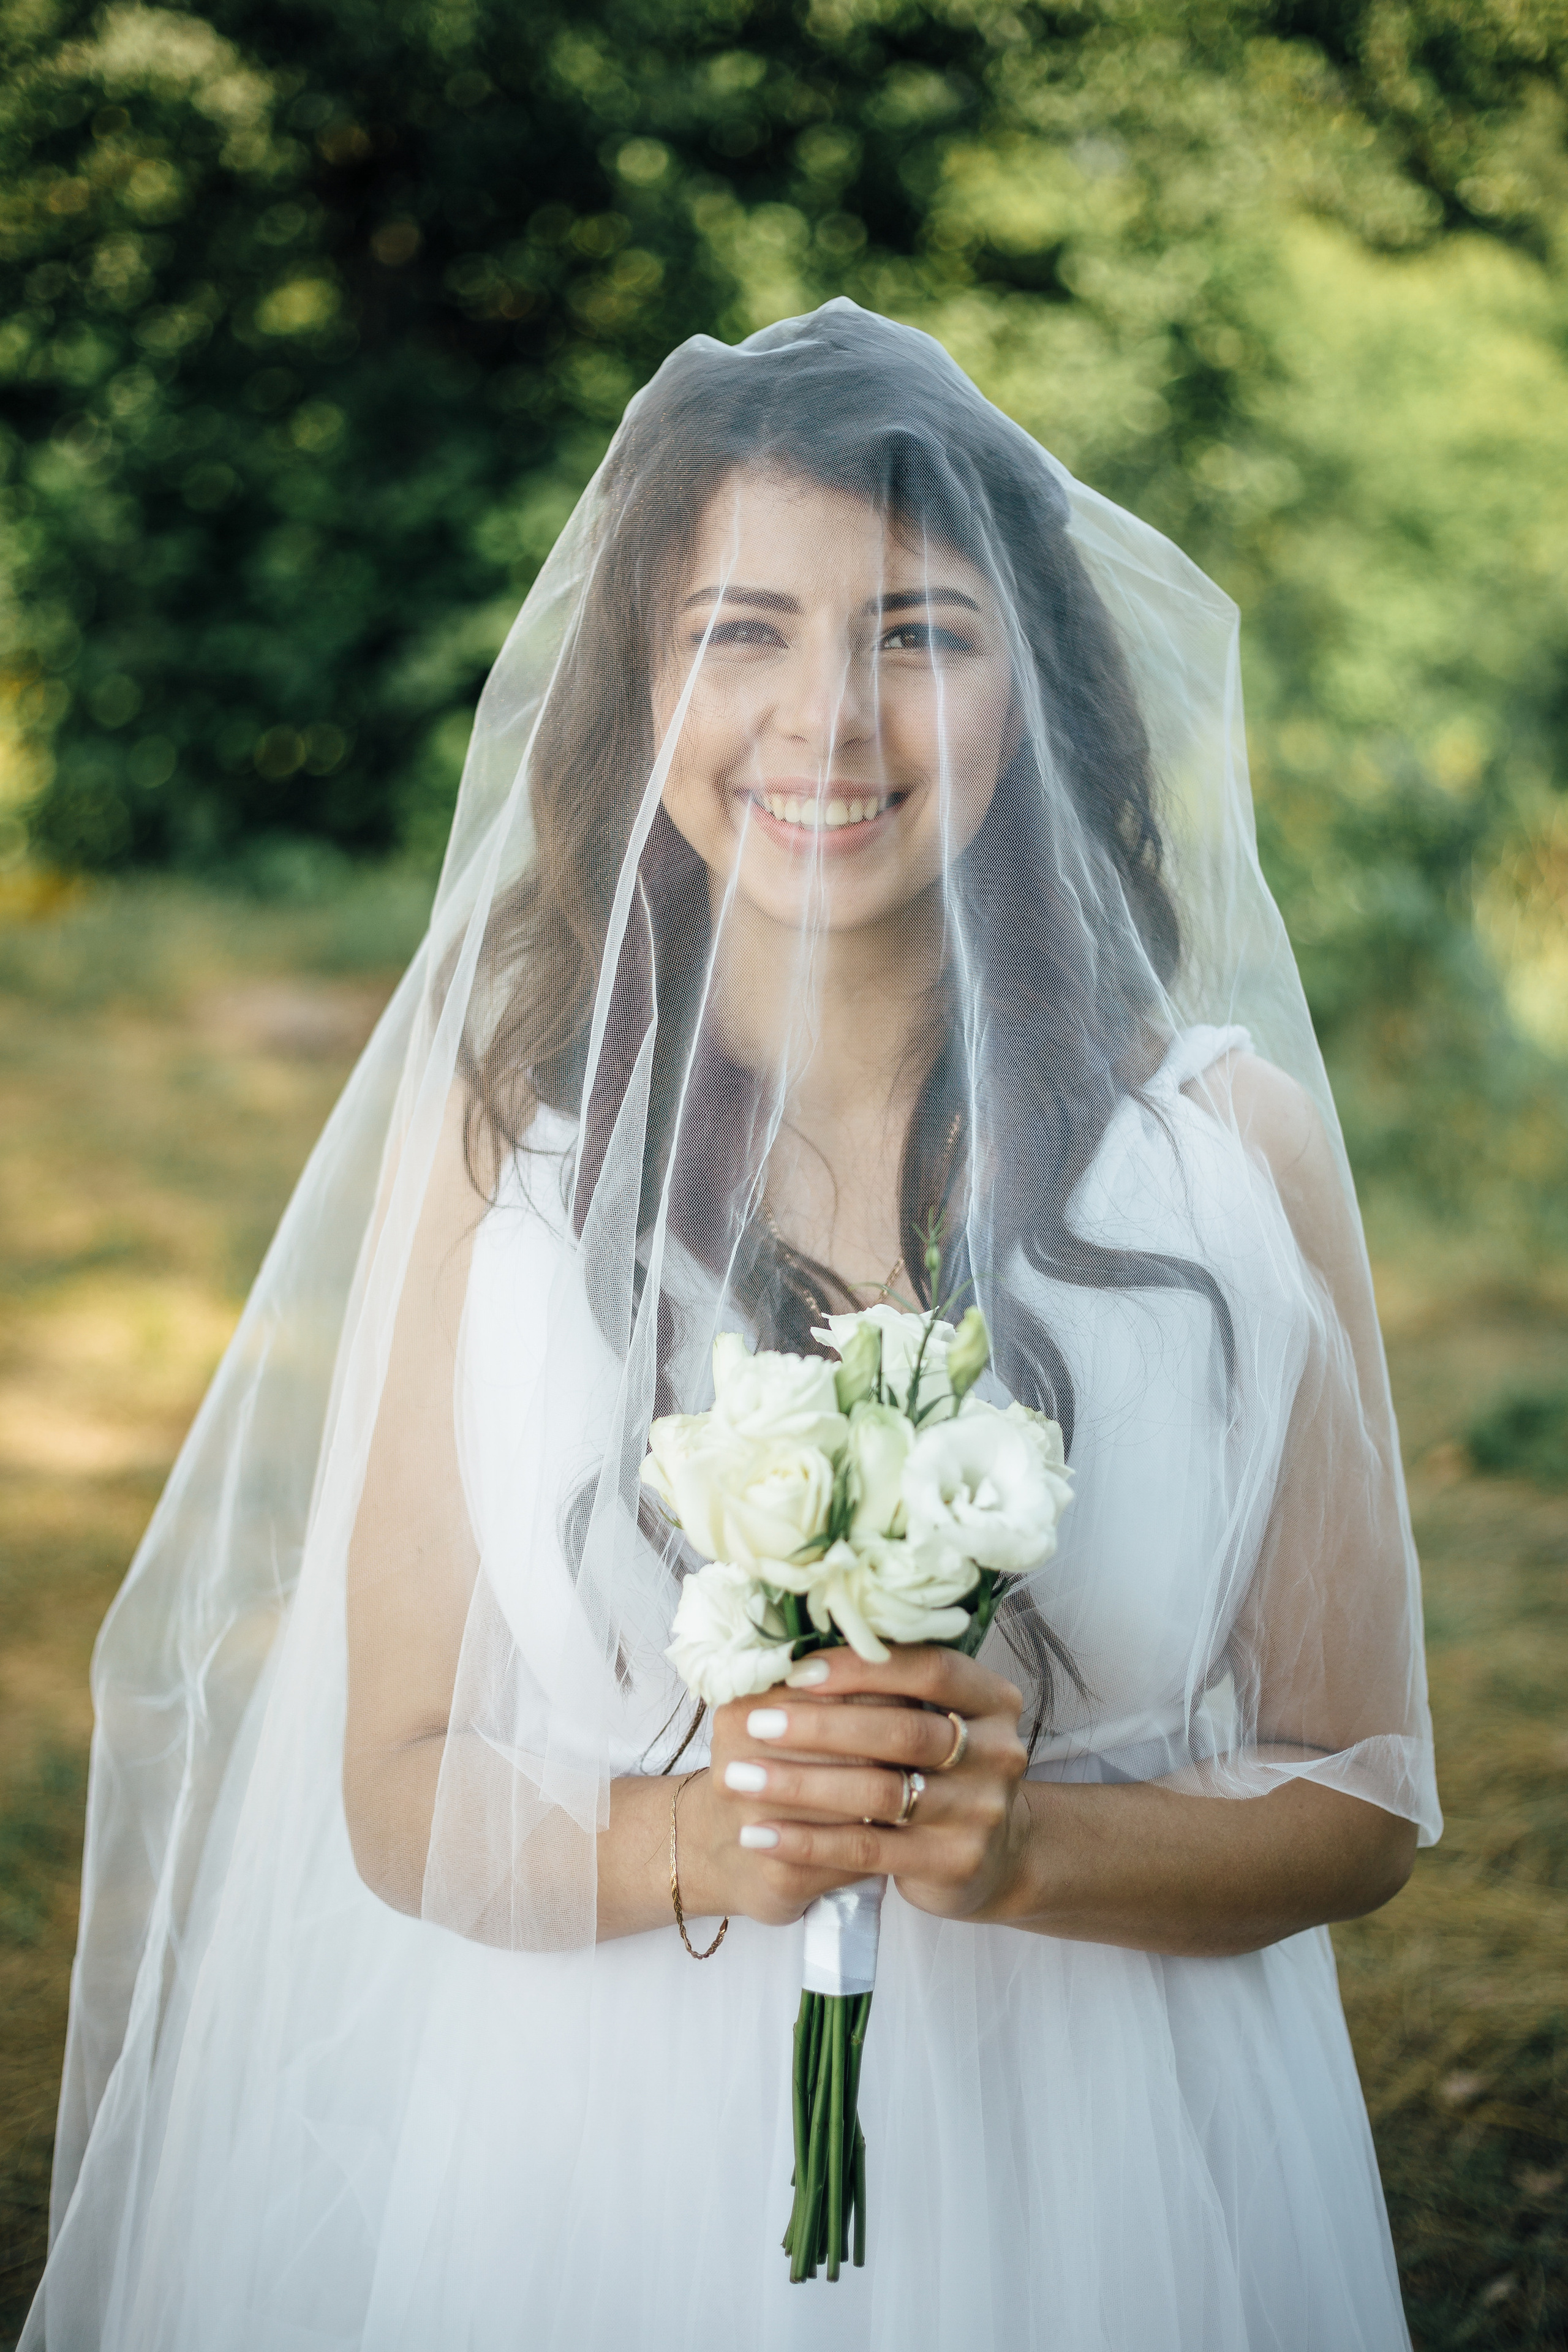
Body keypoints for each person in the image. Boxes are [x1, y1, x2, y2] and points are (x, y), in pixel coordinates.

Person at [25, 300, 1439, 2352]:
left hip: (1120, 2169)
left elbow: (1368, 1799)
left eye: (920, 634)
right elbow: (401, 1790)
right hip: (604, 2166)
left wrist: (1023, 1849)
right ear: (637, 684)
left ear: (1032, 686)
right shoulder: (510, 1151)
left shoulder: (1227, 1152)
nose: (827, 721)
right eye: (743, 632)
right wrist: (711, 1833)